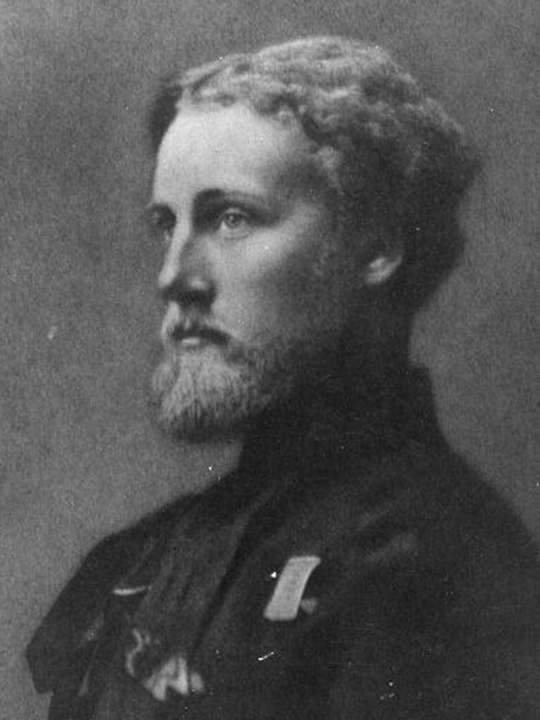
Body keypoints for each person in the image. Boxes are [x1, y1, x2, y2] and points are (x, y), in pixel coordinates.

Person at [27, 36, 540, 719]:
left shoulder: (442, 570)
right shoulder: (146, 559)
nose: (174, 276)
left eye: (230, 218)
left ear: (379, 245)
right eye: (166, 224)